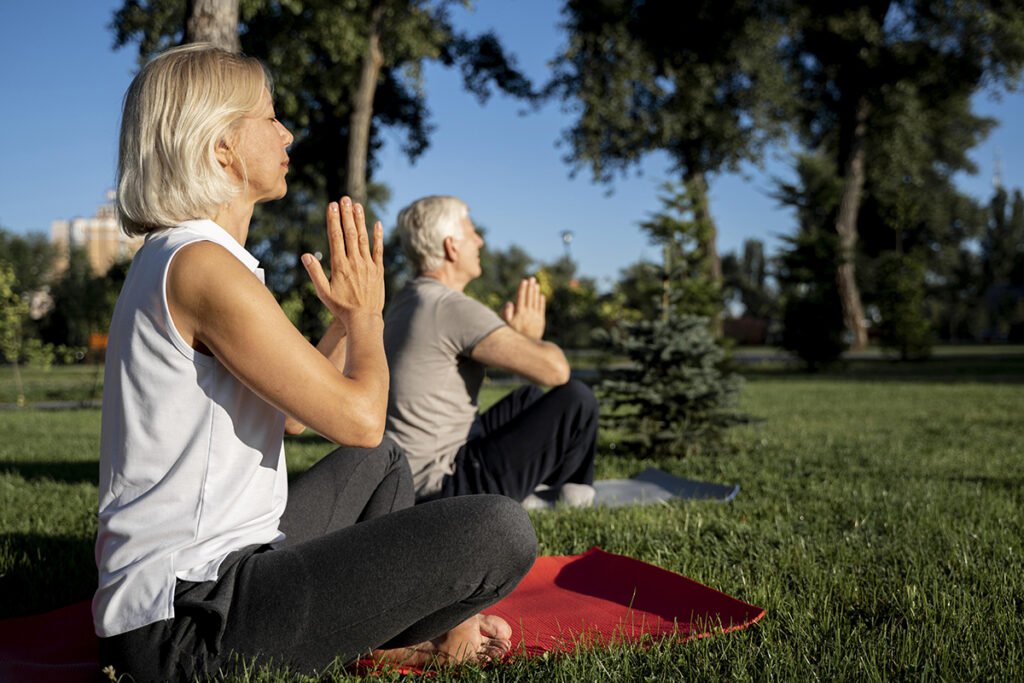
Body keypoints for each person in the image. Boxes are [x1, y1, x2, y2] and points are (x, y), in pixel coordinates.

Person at [93, 44, 536, 682]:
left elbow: (301, 421)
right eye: (269, 118)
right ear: (221, 146)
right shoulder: (201, 266)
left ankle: (391, 635)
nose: (287, 133)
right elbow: (361, 418)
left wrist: (341, 317)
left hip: (214, 584)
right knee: (501, 529)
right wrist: (366, 319)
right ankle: (419, 635)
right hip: (188, 628)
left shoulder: (189, 256)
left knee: (379, 466)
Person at [383, 195, 599, 507]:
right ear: (451, 246)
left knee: (527, 399)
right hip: (445, 487)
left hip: (410, 479)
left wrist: (521, 342)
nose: (480, 241)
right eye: (471, 232)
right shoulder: (450, 306)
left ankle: (542, 490)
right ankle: (569, 497)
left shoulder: (407, 299)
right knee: (577, 399)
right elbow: (556, 371)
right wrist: (530, 339)